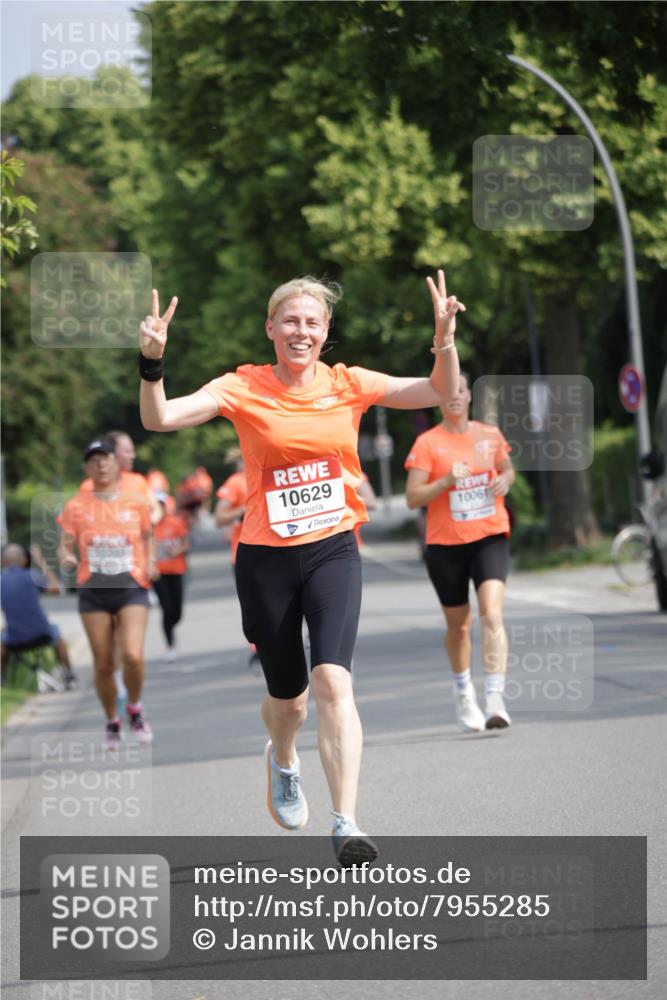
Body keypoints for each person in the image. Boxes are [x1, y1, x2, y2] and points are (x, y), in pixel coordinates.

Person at [139, 271, 463, 864]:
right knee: (288, 702)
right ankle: (283, 758)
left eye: (312, 322)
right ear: (271, 328)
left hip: (333, 548)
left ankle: (347, 820)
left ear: (326, 330)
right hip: (266, 559)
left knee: (334, 679)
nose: (301, 331)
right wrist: (152, 361)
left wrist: (444, 339)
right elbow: (159, 418)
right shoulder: (243, 386)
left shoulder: (349, 383)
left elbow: (439, 390)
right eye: (290, 320)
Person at [405, 373, 515, 732]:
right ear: (439, 399)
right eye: (448, 391)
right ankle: (464, 691)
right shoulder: (427, 443)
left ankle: (495, 698)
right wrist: (446, 481)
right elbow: (412, 498)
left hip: (489, 535)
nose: (454, 396)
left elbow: (507, 468)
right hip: (445, 546)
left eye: (461, 390)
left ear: (469, 396)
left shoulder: (489, 435)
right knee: (459, 628)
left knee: (491, 613)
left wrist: (505, 480)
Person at [58, 439, 155, 749]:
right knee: (102, 665)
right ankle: (112, 719)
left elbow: (148, 534)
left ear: (115, 464)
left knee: (132, 656)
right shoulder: (76, 506)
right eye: (93, 460)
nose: (100, 464)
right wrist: (66, 557)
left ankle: (135, 709)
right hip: (94, 591)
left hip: (131, 587)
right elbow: (64, 545)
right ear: (86, 468)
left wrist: (151, 560)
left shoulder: (134, 501)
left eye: (105, 458)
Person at [1, 543, 75, 688]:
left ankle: (2, 679)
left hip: (14, 638)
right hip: (42, 634)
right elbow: (57, 589)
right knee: (57, 635)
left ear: (2, 561)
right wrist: (41, 562)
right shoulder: (32, 576)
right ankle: (69, 674)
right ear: (24, 559)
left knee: (2, 640)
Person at [214, 447, 259, 669]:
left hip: (280, 549)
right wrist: (241, 510)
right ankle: (258, 647)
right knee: (256, 604)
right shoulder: (235, 482)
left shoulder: (274, 472)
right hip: (244, 552)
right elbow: (219, 517)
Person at [152, 491, 189, 660]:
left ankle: (170, 626)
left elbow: (185, 543)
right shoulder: (148, 526)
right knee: (166, 608)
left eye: (161, 505)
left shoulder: (175, 523)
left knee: (177, 611)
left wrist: (177, 550)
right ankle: (170, 645)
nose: (158, 508)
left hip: (176, 570)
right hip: (158, 574)